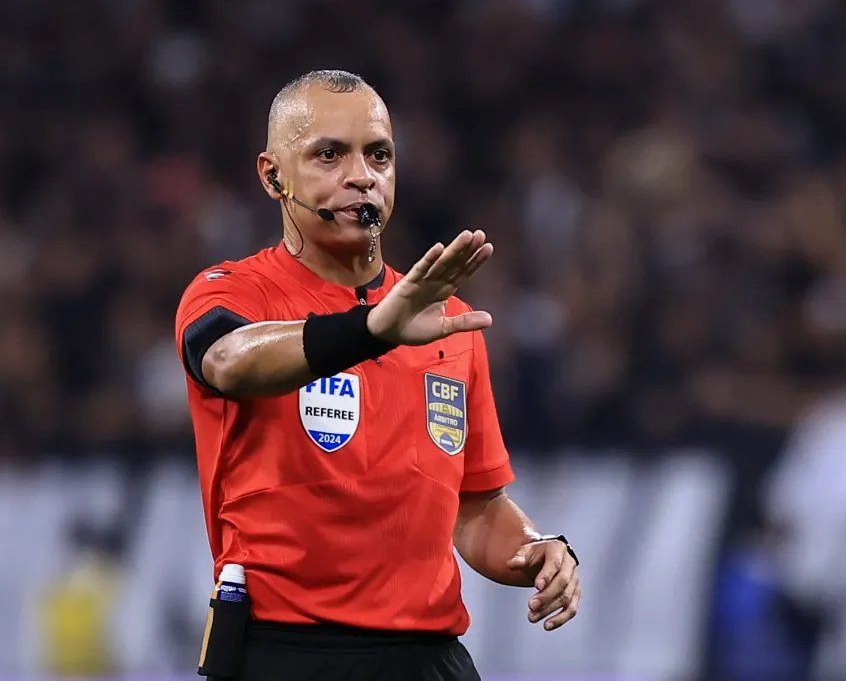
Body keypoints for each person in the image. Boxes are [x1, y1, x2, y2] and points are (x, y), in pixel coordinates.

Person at [174, 69, 581, 681]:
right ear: (273, 176)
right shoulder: (232, 292)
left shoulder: (447, 323)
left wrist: (538, 549)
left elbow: (474, 507)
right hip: (287, 653)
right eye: (328, 155)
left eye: (379, 155)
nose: (361, 175)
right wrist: (370, 329)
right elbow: (228, 361)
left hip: (429, 658)